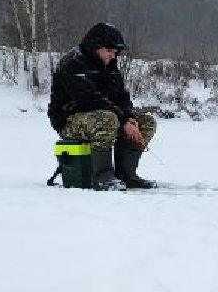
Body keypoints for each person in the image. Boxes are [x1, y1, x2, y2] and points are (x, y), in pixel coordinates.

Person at [48, 22, 158, 190]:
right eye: (109, 51)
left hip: (105, 116)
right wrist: (123, 121)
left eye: (115, 52)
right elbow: (89, 99)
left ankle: (126, 176)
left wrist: (129, 118)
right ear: (95, 47)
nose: (113, 56)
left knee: (146, 122)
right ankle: (102, 177)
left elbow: (122, 96)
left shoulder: (110, 66)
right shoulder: (73, 63)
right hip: (68, 120)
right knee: (107, 119)